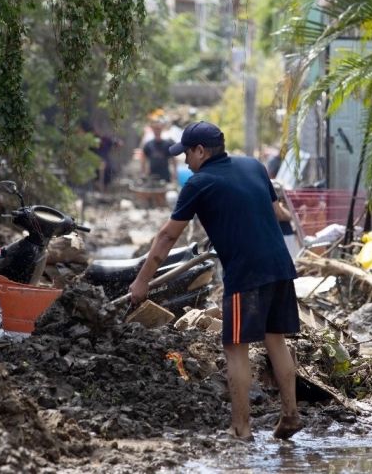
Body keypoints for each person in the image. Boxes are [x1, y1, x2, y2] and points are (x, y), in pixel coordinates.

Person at [129, 121, 303, 440]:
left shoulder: (199, 183)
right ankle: (290, 415)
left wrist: (141, 282)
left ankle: (241, 428)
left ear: (200, 151)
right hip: (280, 265)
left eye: (186, 154)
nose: (185, 162)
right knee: (276, 340)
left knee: (235, 348)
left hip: (246, 274)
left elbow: (167, 236)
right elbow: (271, 210)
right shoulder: (254, 166)